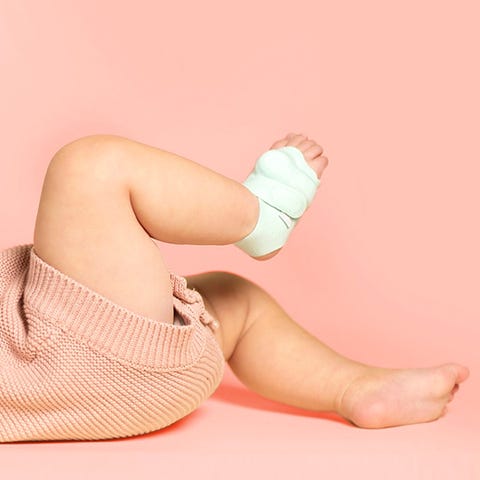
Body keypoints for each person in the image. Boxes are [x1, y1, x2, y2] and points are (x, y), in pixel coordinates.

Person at [0, 132, 469, 442]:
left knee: (232, 299)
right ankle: (261, 215)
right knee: (91, 167)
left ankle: (355, 386)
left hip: (83, 394)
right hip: (63, 349)